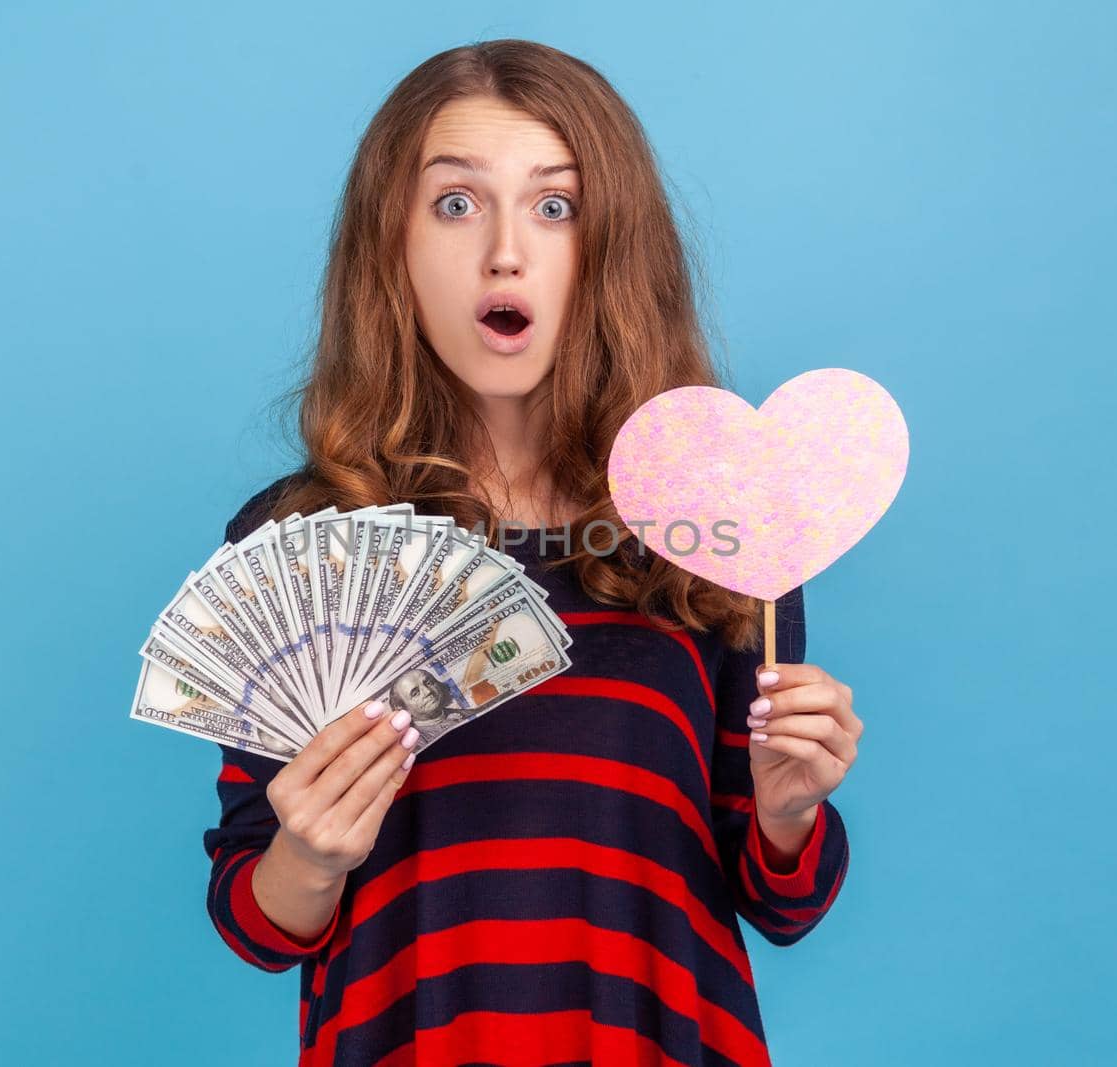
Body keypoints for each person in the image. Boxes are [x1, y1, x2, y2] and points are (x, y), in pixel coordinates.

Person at [200, 39, 864, 1067]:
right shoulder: (301, 548)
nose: (505, 250)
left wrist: (787, 809)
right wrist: (308, 852)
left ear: (610, 249)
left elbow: (781, 901)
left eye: (555, 206)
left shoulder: (722, 525)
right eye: (455, 204)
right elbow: (254, 921)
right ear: (393, 247)